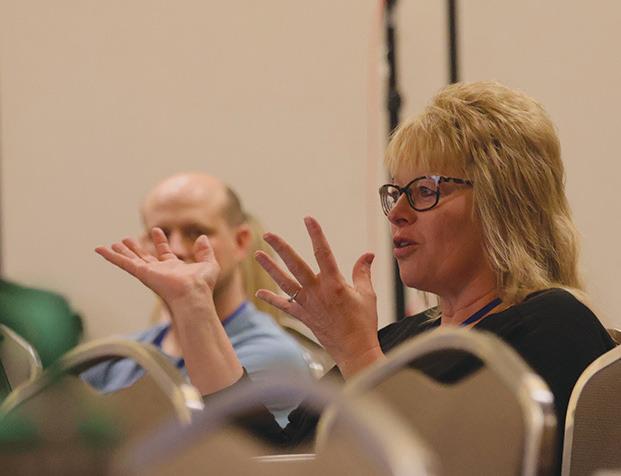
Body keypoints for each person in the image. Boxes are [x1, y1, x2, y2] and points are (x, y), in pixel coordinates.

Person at [94, 82, 614, 471]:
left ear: (503, 201)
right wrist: (194, 308)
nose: (398, 214)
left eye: (424, 192)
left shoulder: (555, 325)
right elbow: (271, 456)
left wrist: (357, 353)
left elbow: (437, 465)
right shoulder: (402, 341)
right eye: (395, 193)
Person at [83, 173, 312, 426]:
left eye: (195, 232)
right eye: (160, 234)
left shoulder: (272, 357)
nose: (176, 249)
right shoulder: (118, 357)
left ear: (240, 242)